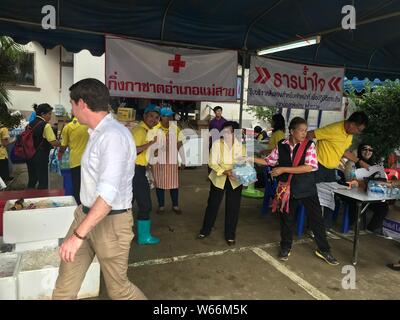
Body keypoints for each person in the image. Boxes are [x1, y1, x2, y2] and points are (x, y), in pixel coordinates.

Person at [53, 78, 146, 300]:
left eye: (72, 104)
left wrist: (77, 235)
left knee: (119, 291)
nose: (72, 110)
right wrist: (80, 228)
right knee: (64, 288)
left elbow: (107, 196)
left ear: (82, 104)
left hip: (111, 224)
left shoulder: (112, 137)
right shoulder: (96, 133)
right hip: (85, 216)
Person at [254, 117, 339, 265]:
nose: (304, 133)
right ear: (292, 131)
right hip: (288, 189)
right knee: (286, 219)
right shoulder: (282, 145)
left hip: (307, 188)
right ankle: (285, 247)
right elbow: (269, 161)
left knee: (316, 219)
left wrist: (282, 169)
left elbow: (310, 167)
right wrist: (250, 159)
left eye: (306, 130)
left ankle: (324, 250)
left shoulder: (309, 146)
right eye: (301, 130)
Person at [307, 111, 369, 236]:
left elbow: (344, 151)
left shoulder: (349, 135)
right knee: (317, 199)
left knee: (330, 198)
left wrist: (359, 162)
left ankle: (325, 228)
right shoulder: (333, 129)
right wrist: (309, 154)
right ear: (352, 124)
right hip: (318, 167)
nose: (359, 132)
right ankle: (313, 229)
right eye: (359, 129)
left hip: (330, 170)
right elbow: (310, 134)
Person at [198, 121, 246, 246]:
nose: (224, 133)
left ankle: (230, 234)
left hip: (235, 180)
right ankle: (205, 230)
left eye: (227, 131)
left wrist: (234, 172)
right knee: (213, 205)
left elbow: (244, 163)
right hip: (219, 178)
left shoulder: (241, 146)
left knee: (233, 207)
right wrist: (225, 171)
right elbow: (212, 162)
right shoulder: (216, 144)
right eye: (223, 131)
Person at [131, 103, 160, 245]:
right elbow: (133, 150)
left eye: (156, 117)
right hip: (135, 171)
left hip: (139, 170)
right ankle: (144, 237)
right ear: (144, 116)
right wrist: (151, 144)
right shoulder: (140, 131)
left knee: (129, 202)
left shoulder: (146, 131)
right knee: (145, 204)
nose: (153, 120)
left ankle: (122, 233)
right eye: (151, 116)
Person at [345, 143, 389, 236]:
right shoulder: (351, 163)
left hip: (370, 195)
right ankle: (348, 226)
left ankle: (371, 229)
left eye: (370, 150)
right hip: (353, 194)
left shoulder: (376, 166)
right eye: (364, 149)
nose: (367, 151)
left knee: (383, 206)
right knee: (356, 204)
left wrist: (369, 184)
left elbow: (383, 182)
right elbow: (350, 181)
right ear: (360, 150)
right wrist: (368, 183)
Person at [152, 107, 185, 215]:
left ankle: (175, 205)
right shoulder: (155, 128)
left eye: (171, 116)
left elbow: (179, 145)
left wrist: (183, 159)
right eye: (167, 116)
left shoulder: (176, 129)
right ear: (161, 117)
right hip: (158, 162)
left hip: (172, 161)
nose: (170, 118)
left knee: (174, 184)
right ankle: (161, 206)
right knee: (160, 184)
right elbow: (150, 145)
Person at [26, 103, 60, 189]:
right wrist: (63, 142)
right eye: (49, 114)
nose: (50, 116)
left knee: (32, 179)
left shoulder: (29, 124)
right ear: (43, 114)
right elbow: (53, 142)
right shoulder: (46, 125)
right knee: (43, 181)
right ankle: (41, 199)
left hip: (29, 155)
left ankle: (28, 198)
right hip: (40, 156)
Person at [58, 115, 89, 205]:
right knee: (88, 184)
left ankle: (78, 205)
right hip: (89, 160)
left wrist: (60, 154)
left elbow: (63, 145)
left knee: (77, 184)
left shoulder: (68, 127)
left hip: (75, 160)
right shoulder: (89, 125)